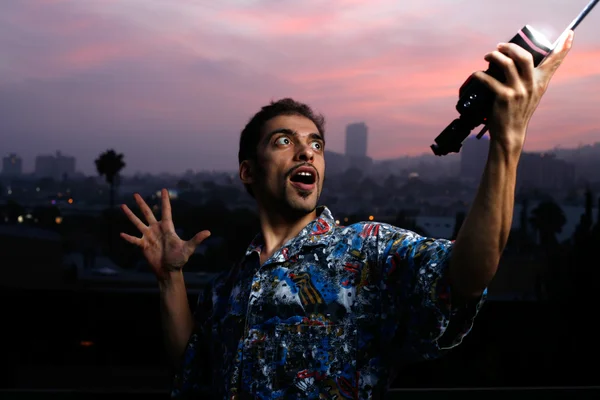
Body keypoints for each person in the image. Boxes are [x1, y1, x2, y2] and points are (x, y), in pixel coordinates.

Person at [120, 31, 574, 399]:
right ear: (248, 172)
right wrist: (169, 279)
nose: (306, 151)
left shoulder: (366, 249)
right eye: (283, 141)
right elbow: (193, 369)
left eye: (316, 143)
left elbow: (467, 274)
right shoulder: (227, 287)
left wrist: (507, 141)